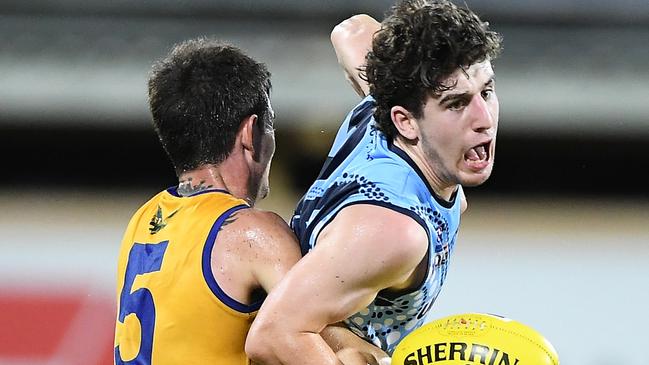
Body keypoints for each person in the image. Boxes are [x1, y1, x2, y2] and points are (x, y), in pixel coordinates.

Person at [245, 1, 503, 363]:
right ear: (406, 122)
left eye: (487, 92)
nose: (483, 119)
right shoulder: (393, 232)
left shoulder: (384, 99)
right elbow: (272, 337)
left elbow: (350, 30)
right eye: (456, 104)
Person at [113, 38, 386, 365]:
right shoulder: (254, 234)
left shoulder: (143, 220)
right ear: (250, 132)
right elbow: (327, 345)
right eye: (271, 125)